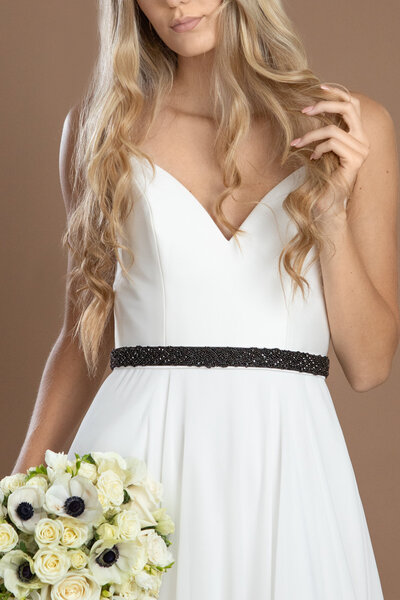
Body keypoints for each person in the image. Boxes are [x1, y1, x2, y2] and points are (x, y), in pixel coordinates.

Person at [11, 0, 399, 597]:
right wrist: (16, 510)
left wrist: (330, 216)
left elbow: (370, 366)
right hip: (137, 475)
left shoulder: (351, 129)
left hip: (286, 468)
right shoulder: (104, 128)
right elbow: (83, 337)